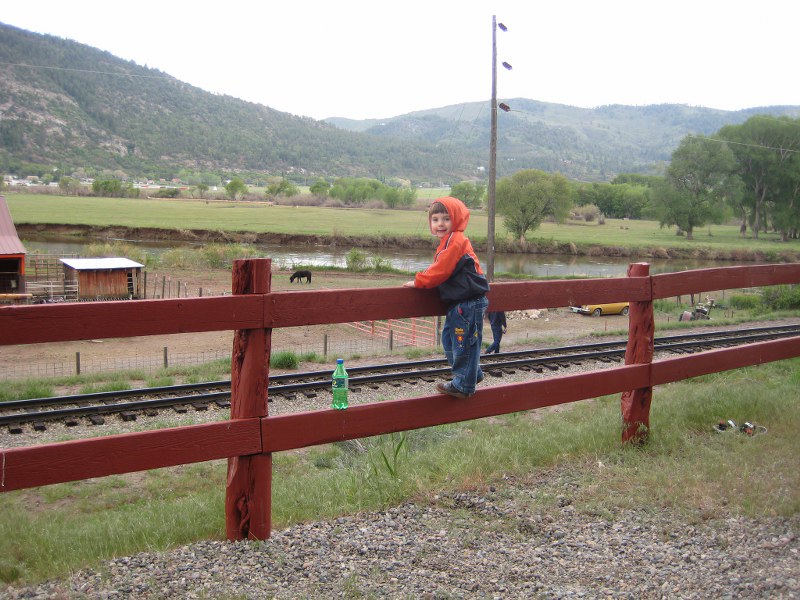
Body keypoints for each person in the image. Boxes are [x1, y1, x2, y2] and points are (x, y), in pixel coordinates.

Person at [404, 197, 489, 398]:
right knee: (450, 339)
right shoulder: (448, 242)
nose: (440, 224)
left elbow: (441, 270)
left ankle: (463, 386)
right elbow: (440, 266)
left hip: (468, 301)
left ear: (457, 220)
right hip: (461, 302)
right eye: (435, 219)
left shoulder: (456, 240)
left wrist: (419, 281)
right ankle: (471, 373)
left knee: (462, 341)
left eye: (446, 219)